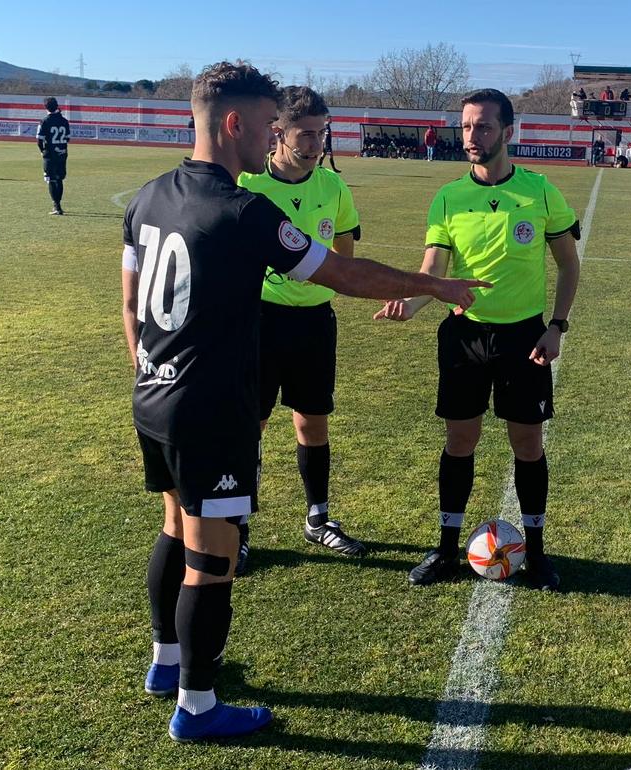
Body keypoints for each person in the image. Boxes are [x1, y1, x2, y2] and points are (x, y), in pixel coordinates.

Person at [123, 60, 486, 744]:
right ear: (233, 123)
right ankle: (198, 706)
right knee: (214, 556)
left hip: (155, 396)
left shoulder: (150, 196)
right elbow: (343, 271)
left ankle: (166, 664)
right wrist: (432, 286)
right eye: (266, 125)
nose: (273, 138)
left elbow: (130, 301)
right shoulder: (242, 208)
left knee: (174, 527)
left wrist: (149, 375)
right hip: (211, 409)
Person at [374, 88, 581, 591]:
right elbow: (433, 271)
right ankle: (446, 549)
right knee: (459, 441)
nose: (472, 136)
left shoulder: (540, 191)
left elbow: (569, 264)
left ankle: (535, 552)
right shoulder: (449, 197)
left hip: (524, 338)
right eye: (466, 127)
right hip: (463, 337)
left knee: (527, 443)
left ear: (508, 132)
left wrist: (557, 327)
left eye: (483, 126)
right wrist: (412, 303)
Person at [234, 85, 368, 573]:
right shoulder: (249, 184)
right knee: (253, 425)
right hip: (260, 321)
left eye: (321, 133)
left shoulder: (333, 187)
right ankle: (239, 527)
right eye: (305, 134)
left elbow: (345, 261)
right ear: (279, 133)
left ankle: (318, 519)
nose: (315, 144)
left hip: (315, 321)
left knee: (312, 420)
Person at [36, 97, 70, 215]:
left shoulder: (45, 121)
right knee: (59, 179)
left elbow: (39, 141)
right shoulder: (64, 121)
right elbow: (67, 138)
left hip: (50, 155)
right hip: (62, 154)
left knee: (51, 180)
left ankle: (56, 206)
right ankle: (58, 205)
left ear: (46, 107)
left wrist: (42, 151)